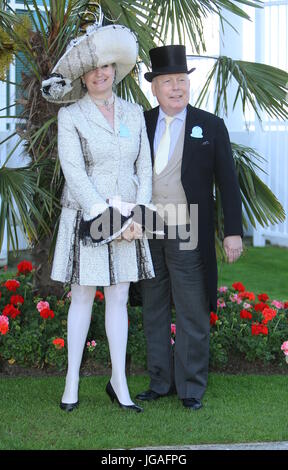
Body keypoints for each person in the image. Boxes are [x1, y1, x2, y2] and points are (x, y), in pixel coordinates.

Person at [41, 19, 155, 413]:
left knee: (120, 296)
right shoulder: (69, 117)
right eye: (91, 69)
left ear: (114, 70)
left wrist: (138, 213)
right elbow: (74, 173)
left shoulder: (135, 112)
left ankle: (119, 382)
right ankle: (71, 380)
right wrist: (109, 218)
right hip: (88, 218)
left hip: (130, 218)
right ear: (82, 77)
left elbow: (145, 168)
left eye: (105, 66)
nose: (99, 73)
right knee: (84, 296)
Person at [135, 45, 243, 410]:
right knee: (153, 307)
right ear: (155, 87)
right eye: (168, 81)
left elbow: (228, 182)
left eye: (181, 80)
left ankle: (191, 387)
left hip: (187, 227)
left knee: (192, 309)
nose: (176, 87)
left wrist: (233, 231)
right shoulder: (141, 123)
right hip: (146, 226)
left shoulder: (210, 125)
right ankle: (160, 382)